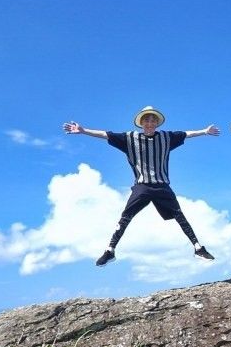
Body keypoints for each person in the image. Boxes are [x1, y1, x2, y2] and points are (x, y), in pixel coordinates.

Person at [63, 106, 219, 266]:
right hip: (142, 187)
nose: (150, 123)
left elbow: (187, 134)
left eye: (153, 120)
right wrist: (83, 130)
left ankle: (198, 248)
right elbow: (105, 134)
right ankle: (110, 251)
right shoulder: (129, 138)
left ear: (157, 123)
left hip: (162, 186)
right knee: (125, 216)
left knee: (180, 215)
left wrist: (205, 131)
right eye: (147, 120)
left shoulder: (167, 137)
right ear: (141, 123)